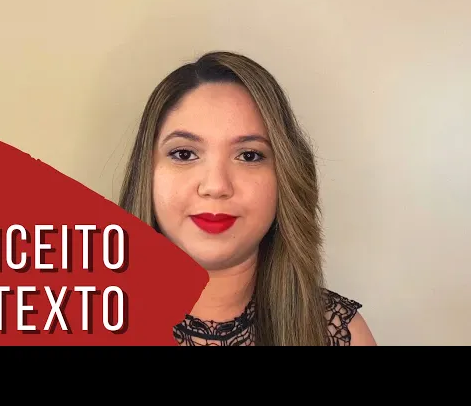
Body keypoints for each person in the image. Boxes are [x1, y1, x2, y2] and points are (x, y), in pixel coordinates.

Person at [118, 51, 377, 346]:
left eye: (249, 156)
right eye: (184, 154)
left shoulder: (340, 334)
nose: (216, 186)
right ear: (146, 173)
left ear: (285, 177)